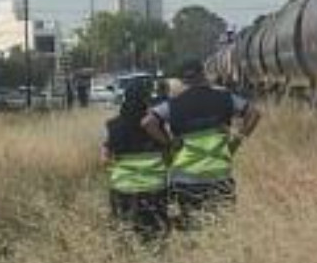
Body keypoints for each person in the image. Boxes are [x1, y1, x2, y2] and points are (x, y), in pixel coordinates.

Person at [142, 59, 261, 229]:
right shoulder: (225, 98)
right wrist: (237, 140)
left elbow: (148, 122)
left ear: (182, 81)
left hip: (185, 178)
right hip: (218, 175)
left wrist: (170, 143)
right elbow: (254, 113)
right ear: (204, 74)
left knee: (191, 226)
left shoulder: (173, 105)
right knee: (221, 226)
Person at [102, 80, 169, 241]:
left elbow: (104, 159)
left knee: (124, 231)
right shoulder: (155, 124)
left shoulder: (112, 125)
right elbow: (168, 151)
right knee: (156, 231)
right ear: (145, 100)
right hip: (154, 185)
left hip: (122, 186)